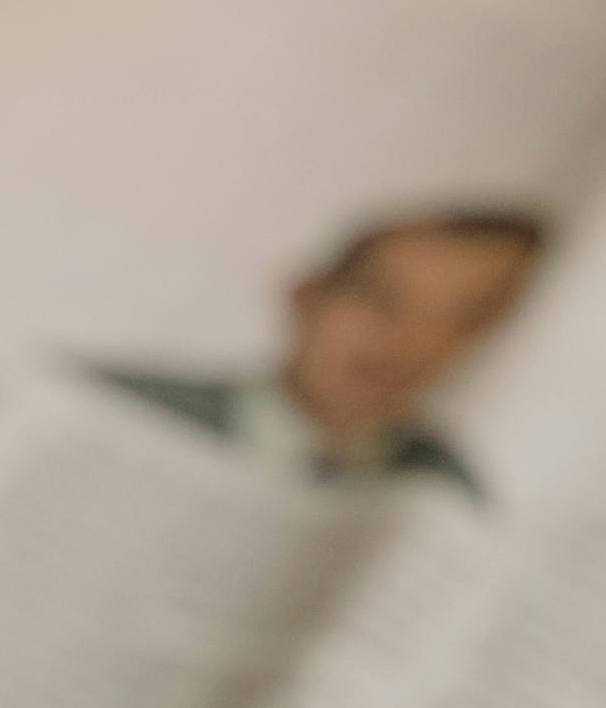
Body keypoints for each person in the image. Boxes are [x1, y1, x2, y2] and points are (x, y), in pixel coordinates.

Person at [93, 206, 553, 495]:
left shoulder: (444, 488)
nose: (407, 344)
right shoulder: (115, 410)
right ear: (306, 296)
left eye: (456, 322)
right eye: (380, 301)